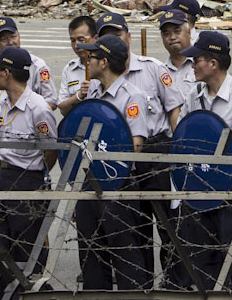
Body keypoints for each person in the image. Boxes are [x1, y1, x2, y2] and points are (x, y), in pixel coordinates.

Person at [95, 11, 186, 287]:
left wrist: (177, 150)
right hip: (122, 157)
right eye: (106, 36)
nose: (114, 39)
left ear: (129, 37)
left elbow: (174, 108)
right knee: (136, 222)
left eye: (118, 34)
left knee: (168, 221)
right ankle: (141, 281)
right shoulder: (98, 78)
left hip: (156, 151)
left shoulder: (152, 68)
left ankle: (175, 281)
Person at [0, 46, 57, 300]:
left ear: (7, 73)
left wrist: (36, 174)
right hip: (4, 176)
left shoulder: (37, 108)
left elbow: (50, 150)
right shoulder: (3, 102)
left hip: (27, 179)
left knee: (24, 246)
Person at [178, 30, 232, 291]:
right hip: (201, 180)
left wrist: (202, 143)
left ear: (213, 63)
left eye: (196, 61)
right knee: (203, 254)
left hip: (231, 182)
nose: (191, 67)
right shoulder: (194, 95)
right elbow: (183, 135)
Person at [72, 35, 151, 290]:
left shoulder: (132, 96)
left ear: (103, 62)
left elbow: (135, 145)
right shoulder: (93, 93)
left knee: (125, 255)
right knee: (91, 256)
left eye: (91, 57)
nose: (87, 61)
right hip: (89, 183)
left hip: (118, 188)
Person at [0, 16, 58, 109]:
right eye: (4, 39)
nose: (10, 42)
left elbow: (51, 102)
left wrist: (25, 114)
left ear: (19, 35)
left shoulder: (37, 66)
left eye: (13, 36)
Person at [58, 15, 96, 116]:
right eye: (73, 40)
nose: (76, 45)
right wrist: (79, 96)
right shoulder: (70, 69)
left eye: (81, 39)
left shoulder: (105, 66)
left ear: (95, 38)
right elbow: (62, 109)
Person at [159, 9, 196, 95]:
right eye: (166, 34)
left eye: (177, 31)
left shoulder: (203, 65)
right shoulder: (160, 71)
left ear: (189, 32)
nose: (172, 37)